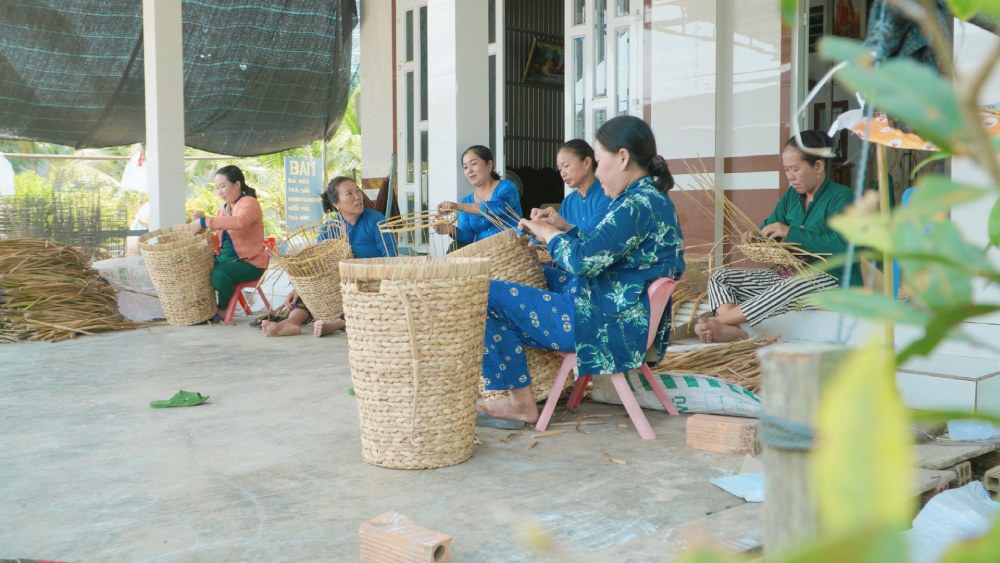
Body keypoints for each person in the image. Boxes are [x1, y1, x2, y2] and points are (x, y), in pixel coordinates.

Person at [477, 115, 685, 425]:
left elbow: (583, 261)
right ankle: (519, 389)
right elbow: (604, 252)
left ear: (623, 158)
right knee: (541, 275)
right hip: (619, 311)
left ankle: (519, 401)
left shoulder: (635, 205)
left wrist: (547, 233)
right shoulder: (648, 199)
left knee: (485, 292)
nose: (599, 172)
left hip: (606, 325)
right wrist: (564, 228)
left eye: (600, 162)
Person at [695, 130, 862, 343]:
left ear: (818, 166)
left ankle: (721, 321)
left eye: (795, 169)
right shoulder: (792, 196)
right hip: (789, 275)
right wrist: (756, 236)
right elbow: (770, 226)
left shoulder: (842, 197)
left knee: (791, 285)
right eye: (786, 170)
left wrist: (790, 232)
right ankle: (735, 330)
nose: (790, 176)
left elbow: (846, 246)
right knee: (720, 277)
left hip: (832, 281)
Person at [263, 176, 396, 337]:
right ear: (336, 204)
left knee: (360, 297)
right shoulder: (329, 229)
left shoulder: (376, 220)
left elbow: (391, 258)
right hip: (336, 286)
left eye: (358, 191)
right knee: (310, 294)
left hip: (370, 282)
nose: (358, 196)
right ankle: (291, 323)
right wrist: (299, 289)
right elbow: (317, 266)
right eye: (349, 194)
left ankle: (335, 324)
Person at [189, 165, 269, 324]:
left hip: (250, 264)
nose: (219, 191)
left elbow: (239, 222)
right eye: (217, 188)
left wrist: (205, 221)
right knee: (194, 266)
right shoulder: (223, 210)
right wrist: (200, 227)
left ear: (237, 185)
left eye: (223, 186)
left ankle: (223, 308)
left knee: (219, 274)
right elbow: (218, 243)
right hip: (225, 260)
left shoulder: (249, 203)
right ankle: (197, 310)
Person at [543, 139, 612, 295]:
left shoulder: (606, 194)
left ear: (587, 163)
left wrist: (557, 229)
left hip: (596, 269)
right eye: (560, 169)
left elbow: (591, 236)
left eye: (566, 166)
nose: (562, 173)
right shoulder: (568, 202)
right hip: (571, 268)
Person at [433, 145, 521, 243]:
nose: (469, 170)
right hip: (485, 254)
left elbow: (498, 207)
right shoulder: (466, 201)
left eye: (474, 164)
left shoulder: (507, 187)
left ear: (489, 165)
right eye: (465, 167)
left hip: (512, 249)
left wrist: (458, 206)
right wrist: (450, 229)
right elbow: (468, 238)